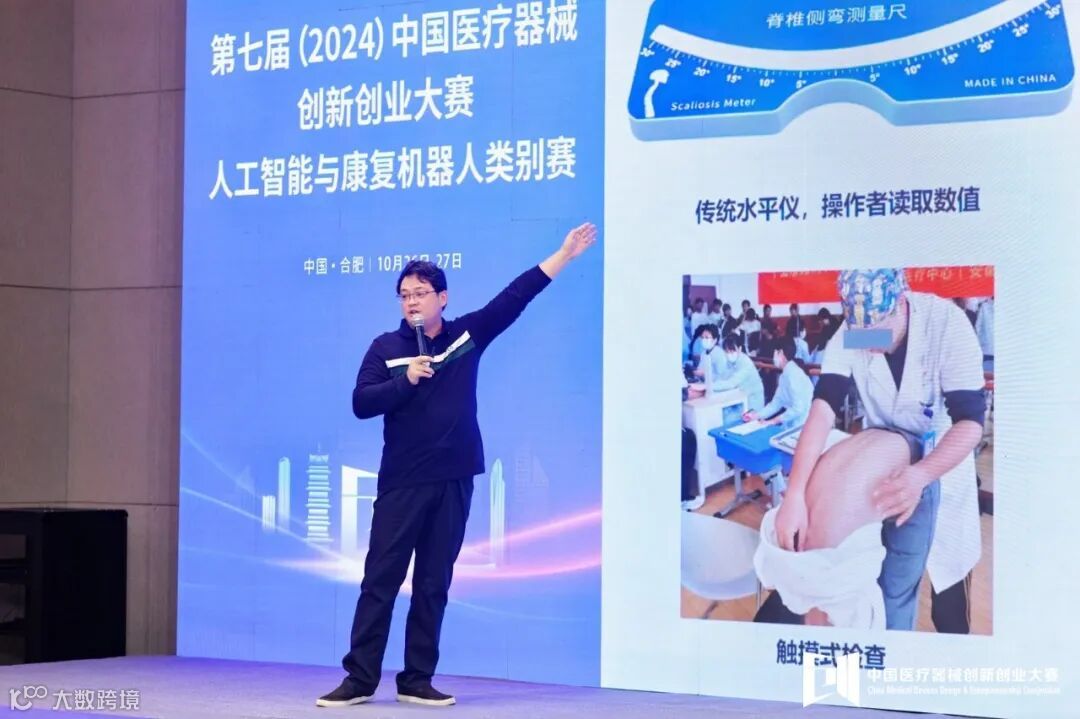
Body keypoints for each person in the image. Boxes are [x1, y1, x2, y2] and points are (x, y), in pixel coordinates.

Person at [318, 223, 598, 708]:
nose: (411, 302)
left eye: (420, 293)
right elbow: (361, 403)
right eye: (405, 295)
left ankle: (416, 679)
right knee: (380, 580)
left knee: (433, 583)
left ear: (442, 298)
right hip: (403, 481)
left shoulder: (465, 337)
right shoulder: (386, 349)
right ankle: (359, 679)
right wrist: (405, 380)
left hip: (454, 478)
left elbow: (514, 298)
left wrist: (564, 255)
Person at [772, 268, 984, 633]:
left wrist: (921, 475)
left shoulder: (946, 325)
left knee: (949, 607)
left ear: (900, 303)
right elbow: (822, 411)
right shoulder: (854, 333)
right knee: (887, 588)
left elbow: (970, 422)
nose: (869, 342)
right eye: (861, 332)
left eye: (877, 329)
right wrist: (794, 494)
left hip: (944, 471)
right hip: (884, 474)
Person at [743, 336, 813, 429]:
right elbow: (776, 403)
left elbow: (798, 409)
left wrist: (772, 421)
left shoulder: (793, 375)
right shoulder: (786, 374)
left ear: (781, 353)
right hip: (793, 422)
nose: (773, 357)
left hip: (803, 424)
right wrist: (756, 416)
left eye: (775, 353)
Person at [709, 336, 765, 411]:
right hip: (740, 396)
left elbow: (731, 383)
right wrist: (710, 384)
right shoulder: (730, 361)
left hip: (753, 401)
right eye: (727, 352)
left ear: (740, 348)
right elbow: (723, 377)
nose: (729, 354)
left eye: (732, 351)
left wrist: (707, 386)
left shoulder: (746, 363)